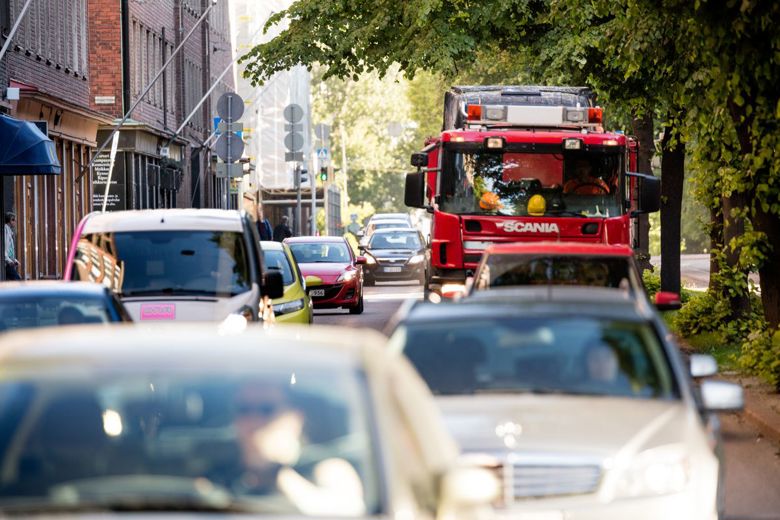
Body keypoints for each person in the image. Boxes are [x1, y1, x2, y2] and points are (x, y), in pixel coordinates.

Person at [4, 212, 21, 281]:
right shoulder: (5, 230)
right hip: (6, 263)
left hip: (9, 262)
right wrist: (8, 260)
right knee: (17, 280)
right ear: (9, 221)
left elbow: (10, 249)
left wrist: (14, 260)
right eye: (13, 220)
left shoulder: (9, 231)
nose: (15, 222)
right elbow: (4, 247)